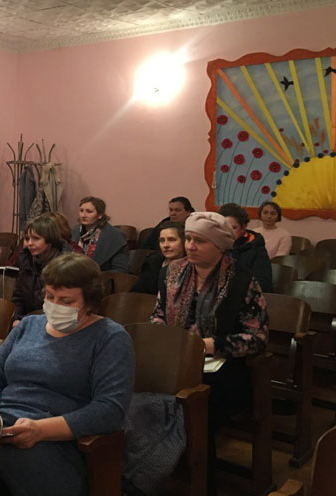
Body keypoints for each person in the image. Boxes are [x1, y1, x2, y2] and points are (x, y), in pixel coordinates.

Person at [0, 253, 134, 496]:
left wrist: (40, 430)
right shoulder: (29, 325)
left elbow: (109, 410)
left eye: (66, 301)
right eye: (50, 297)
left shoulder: (110, 337)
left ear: (90, 303)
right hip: (2, 422)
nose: (55, 305)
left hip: (52, 439)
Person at [150, 211, 268, 496]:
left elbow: (258, 339)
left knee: (197, 405)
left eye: (199, 241)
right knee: (143, 391)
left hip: (225, 368)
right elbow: (158, 316)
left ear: (219, 245)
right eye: (188, 238)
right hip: (177, 361)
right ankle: (154, 471)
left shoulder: (241, 280)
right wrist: (164, 339)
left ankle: (202, 481)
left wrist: (209, 345)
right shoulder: (171, 272)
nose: (190, 246)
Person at [12, 215, 71, 322]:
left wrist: (27, 321)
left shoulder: (65, 265)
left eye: (36, 239)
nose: (29, 243)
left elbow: (61, 305)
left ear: (50, 241)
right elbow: (18, 297)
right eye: (27, 239)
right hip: (29, 319)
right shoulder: (26, 260)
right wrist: (17, 319)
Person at [217, 203, 272, 292]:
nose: (228, 232)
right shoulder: (214, 244)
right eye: (224, 227)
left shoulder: (255, 246)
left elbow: (262, 282)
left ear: (243, 227)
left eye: (233, 228)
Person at [71, 196, 128, 272]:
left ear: (100, 215)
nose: (83, 215)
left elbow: (121, 270)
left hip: (102, 276)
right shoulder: (75, 231)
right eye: (81, 211)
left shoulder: (115, 235)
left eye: (89, 211)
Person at [131, 221, 186, 295]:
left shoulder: (193, 266)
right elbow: (138, 293)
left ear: (184, 242)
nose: (165, 245)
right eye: (162, 240)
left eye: (171, 240)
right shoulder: (153, 263)